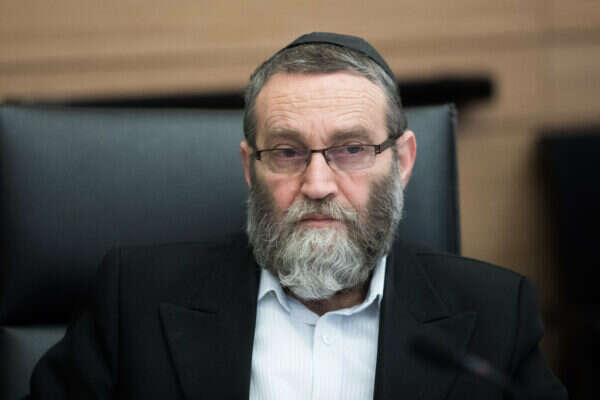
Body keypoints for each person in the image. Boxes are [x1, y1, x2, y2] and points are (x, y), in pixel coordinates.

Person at [27, 32, 567, 399]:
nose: (317, 184)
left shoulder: (494, 318)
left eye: (351, 149)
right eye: (287, 152)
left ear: (402, 162)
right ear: (250, 167)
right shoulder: (136, 300)